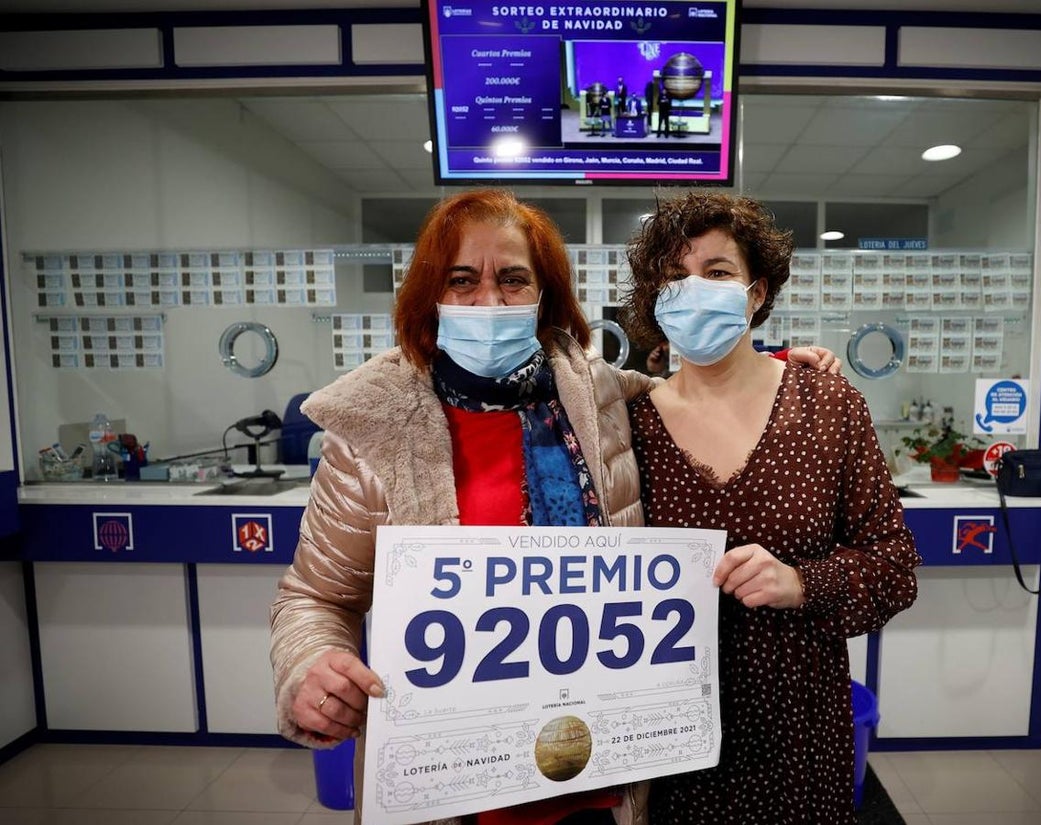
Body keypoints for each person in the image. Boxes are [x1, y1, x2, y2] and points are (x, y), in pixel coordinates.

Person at [269, 188, 838, 825]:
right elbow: (315, 597)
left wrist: (782, 369)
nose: (488, 300)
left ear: (545, 297)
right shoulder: (374, 430)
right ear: (431, 294)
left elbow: (693, 393)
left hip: (603, 789)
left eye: (513, 279)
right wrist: (311, 665)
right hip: (457, 792)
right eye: (462, 279)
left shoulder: (594, 396)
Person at [619, 191, 921, 824]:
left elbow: (895, 567)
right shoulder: (629, 425)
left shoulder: (827, 406)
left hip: (800, 735)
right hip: (670, 741)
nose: (693, 290)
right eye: (675, 278)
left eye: (717, 272)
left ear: (756, 294)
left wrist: (801, 582)